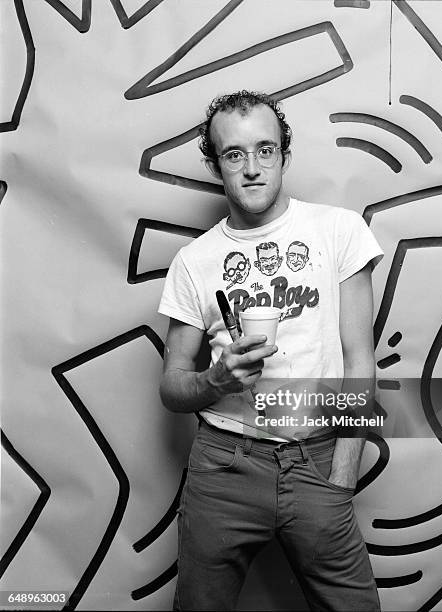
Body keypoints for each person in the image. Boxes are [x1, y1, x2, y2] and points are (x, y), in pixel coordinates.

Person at [158, 90, 383, 611]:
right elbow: (171, 386)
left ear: (284, 154)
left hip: (319, 456)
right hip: (223, 467)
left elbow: (359, 358)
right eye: (234, 154)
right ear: (216, 165)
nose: (253, 168)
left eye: (266, 149)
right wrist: (216, 381)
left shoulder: (338, 231)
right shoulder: (195, 262)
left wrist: (344, 468)